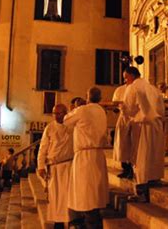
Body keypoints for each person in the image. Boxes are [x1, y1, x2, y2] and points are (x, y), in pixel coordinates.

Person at [64, 87, 109, 229]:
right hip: (98, 154)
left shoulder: (83, 110)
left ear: (87, 97)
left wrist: (75, 107)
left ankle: (90, 223)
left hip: (85, 156)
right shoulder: (101, 111)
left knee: (86, 195)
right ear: (100, 98)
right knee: (94, 193)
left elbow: (66, 120)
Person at [121, 67, 165, 200]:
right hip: (156, 124)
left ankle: (140, 191)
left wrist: (124, 112)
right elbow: (161, 108)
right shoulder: (152, 88)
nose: (125, 81)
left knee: (140, 157)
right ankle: (154, 179)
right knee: (154, 154)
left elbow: (128, 108)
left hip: (142, 124)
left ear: (133, 76)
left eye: (126, 77)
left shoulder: (133, 87)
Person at [38, 104, 73, 229]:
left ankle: (69, 220)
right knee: (56, 197)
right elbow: (43, 148)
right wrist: (41, 166)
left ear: (65, 112)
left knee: (67, 196)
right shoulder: (50, 128)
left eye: (59, 113)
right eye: (54, 113)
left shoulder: (72, 125)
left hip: (68, 166)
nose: (56, 116)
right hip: (54, 167)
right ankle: (58, 223)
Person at [112, 83, 134, 179]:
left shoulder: (137, 89)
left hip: (135, 119)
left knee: (133, 144)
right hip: (124, 118)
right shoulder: (120, 90)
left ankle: (133, 169)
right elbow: (115, 106)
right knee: (122, 144)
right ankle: (125, 168)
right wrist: (117, 108)